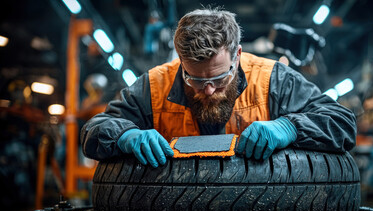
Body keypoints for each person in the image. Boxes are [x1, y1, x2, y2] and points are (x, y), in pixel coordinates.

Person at [81, 8, 356, 168]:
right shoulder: (154, 85)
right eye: (195, 80)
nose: (209, 90)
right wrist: (125, 135)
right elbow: (95, 130)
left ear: (237, 55)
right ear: (180, 61)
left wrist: (290, 127)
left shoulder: (273, 79)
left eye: (219, 78)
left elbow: (342, 123)